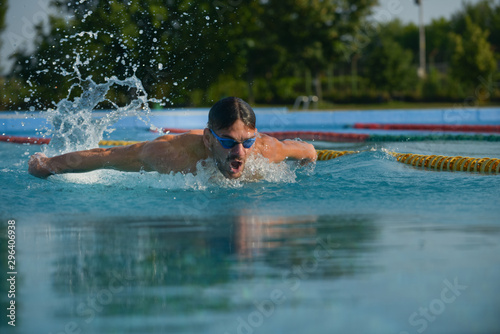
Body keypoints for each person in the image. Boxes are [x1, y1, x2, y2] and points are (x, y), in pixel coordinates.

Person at [28, 97, 317, 179]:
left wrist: (306, 169)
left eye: (247, 142)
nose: (240, 152)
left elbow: (309, 151)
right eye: (228, 141)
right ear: (208, 139)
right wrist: (48, 164)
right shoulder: (171, 155)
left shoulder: (266, 150)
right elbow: (107, 157)